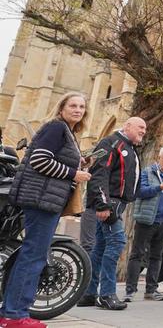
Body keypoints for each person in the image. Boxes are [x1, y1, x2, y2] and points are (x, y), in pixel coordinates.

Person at [0, 92, 92, 328]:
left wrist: (77, 163)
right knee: (34, 255)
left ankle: (10, 312)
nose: (78, 110)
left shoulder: (65, 131)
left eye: (82, 106)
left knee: (30, 254)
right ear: (61, 107)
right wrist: (74, 173)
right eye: (73, 105)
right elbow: (40, 160)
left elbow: (50, 158)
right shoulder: (56, 128)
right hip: (41, 200)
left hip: (45, 199)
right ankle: (14, 315)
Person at [77, 117, 146, 311]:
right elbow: (100, 174)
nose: (143, 131)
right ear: (127, 126)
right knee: (117, 242)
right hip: (110, 204)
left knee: (99, 248)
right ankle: (107, 294)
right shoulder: (111, 142)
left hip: (116, 203)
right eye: (140, 127)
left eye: (145, 128)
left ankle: (89, 293)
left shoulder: (129, 147)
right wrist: (102, 204)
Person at [124, 145, 163, 302]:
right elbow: (140, 192)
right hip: (147, 219)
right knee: (137, 254)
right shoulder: (147, 172)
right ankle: (130, 290)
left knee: (157, 256)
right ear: (159, 158)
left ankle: (151, 290)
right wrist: (159, 187)